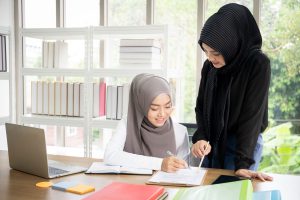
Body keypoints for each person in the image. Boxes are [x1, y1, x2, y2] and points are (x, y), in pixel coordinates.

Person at [191, 3, 273, 181]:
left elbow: (252, 117)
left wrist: (242, 163)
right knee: (207, 190)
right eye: (206, 52)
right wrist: (201, 137)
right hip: (213, 143)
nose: (211, 58)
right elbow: (201, 106)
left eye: (216, 53)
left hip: (243, 143)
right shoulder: (210, 67)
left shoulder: (258, 64)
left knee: (234, 190)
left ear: (233, 44)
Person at [104, 73, 189, 172]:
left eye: (167, 107)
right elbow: (110, 156)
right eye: (154, 108)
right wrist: (160, 164)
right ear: (141, 105)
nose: (162, 114)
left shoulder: (180, 132)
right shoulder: (127, 124)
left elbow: (184, 172)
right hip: (131, 185)